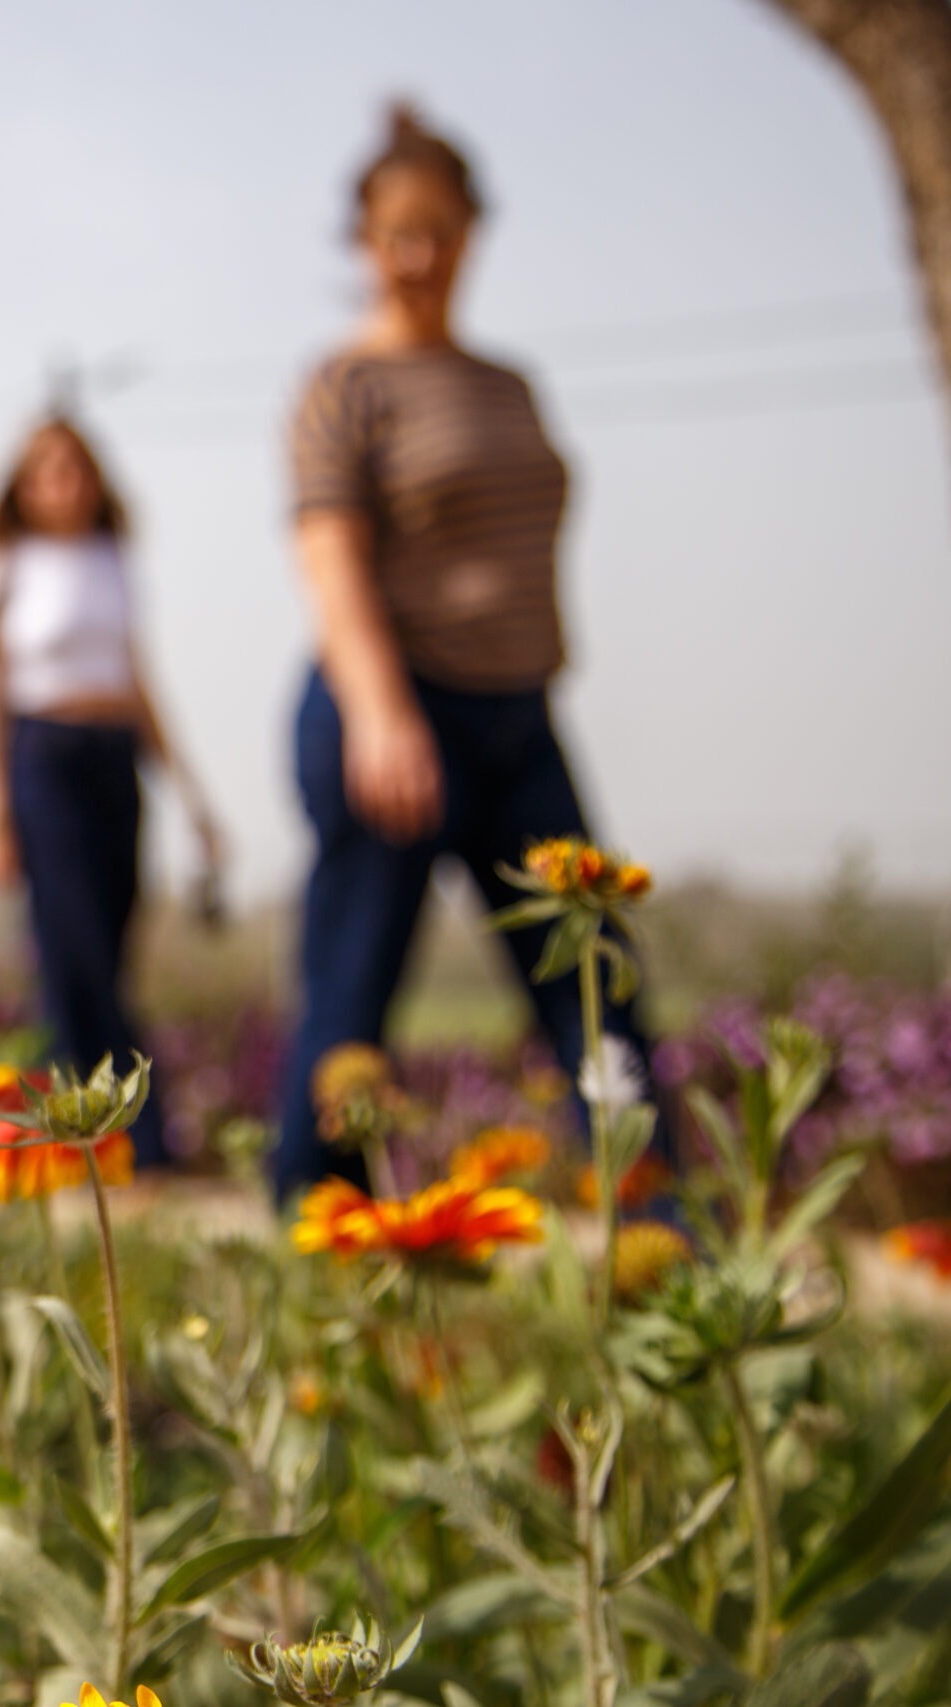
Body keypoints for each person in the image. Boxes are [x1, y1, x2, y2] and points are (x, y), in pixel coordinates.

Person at [270, 104, 655, 1203]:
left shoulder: (506, 384)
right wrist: (381, 712)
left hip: (519, 717)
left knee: (593, 978)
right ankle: (314, 1220)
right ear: (362, 242)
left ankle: (658, 1214)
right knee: (353, 992)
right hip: (394, 708)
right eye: (398, 233)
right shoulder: (343, 385)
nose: (420, 255)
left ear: (472, 234)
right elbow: (331, 559)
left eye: (439, 231)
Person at [0, 415, 221, 1168]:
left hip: (114, 760)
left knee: (110, 949)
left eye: (74, 468)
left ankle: (58, 1134)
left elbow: (140, 680)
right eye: (44, 471)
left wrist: (192, 798)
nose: (62, 485)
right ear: (21, 486)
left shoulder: (112, 561)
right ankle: (134, 1139)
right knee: (74, 951)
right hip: (43, 758)